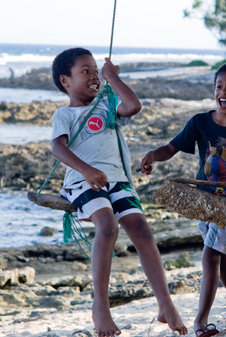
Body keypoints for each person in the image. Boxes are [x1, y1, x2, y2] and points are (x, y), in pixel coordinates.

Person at [50, 47, 187, 337]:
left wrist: (112, 78)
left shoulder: (106, 105)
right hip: (82, 182)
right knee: (107, 225)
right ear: (65, 81)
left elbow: (133, 105)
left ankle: (165, 303)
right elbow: (57, 147)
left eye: (95, 71)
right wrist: (87, 170)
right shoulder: (64, 114)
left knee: (142, 231)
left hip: (117, 180)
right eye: (85, 71)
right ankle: (101, 306)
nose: (93, 76)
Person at [140, 62, 226, 337]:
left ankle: (200, 322)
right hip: (204, 205)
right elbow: (171, 148)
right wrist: (153, 154)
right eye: (219, 86)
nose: (223, 92)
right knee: (221, 260)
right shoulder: (200, 122)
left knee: (211, 255)